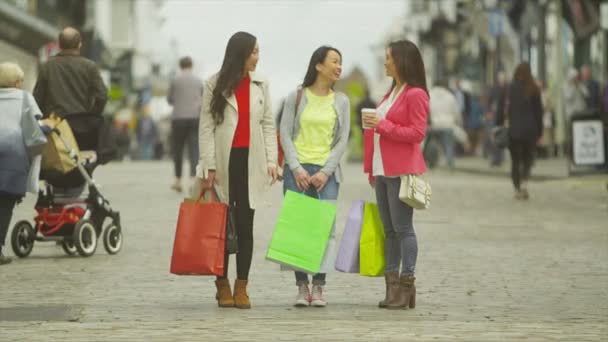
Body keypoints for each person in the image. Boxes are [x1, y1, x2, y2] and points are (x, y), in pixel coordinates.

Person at [198, 31, 278, 309]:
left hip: (251, 161)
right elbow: (206, 127)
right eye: (254, 52)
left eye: (258, 51)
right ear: (240, 54)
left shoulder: (261, 84)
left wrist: (271, 160)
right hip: (223, 161)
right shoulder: (213, 84)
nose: (258, 57)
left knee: (245, 224)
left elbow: (268, 123)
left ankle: (242, 285)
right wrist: (207, 166)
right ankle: (222, 285)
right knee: (221, 225)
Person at [280, 46, 350, 308]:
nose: (339, 66)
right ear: (319, 65)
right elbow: (285, 132)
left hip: (326, 173)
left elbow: (343, 139)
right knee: (297, 228)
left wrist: (325, 171)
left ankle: (319, 285)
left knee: (325, 230)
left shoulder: (341, 101)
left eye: (341, 62)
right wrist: (296, 168)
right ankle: (301, 286)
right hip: (296, 170)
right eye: (334, 61)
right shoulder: (296, 96)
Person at [362, 39, 429, 310]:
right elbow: (378, 130)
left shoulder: (416, 94)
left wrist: (383, 125)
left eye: (389, 57)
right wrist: (370, 167)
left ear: (402, 60)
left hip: (401, 170)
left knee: (403, 229)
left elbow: (417, 133)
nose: (385, 62)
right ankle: (392, 290)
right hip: (382, 169)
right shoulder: (391, 93)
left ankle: (406, 283)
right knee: (389, 231)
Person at [0, 62, 47, 265]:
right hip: (13, 155)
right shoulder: (25, 98)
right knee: (5, 203)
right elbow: (35, 131)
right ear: (18, 82)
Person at [33, 26, 107, 151]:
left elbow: (37, 98)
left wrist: (41, 121)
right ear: (79, 44)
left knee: (56, 164)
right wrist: (91, 115)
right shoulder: (90, 67)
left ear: (59, 45)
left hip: (55, 126)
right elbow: (102, 96)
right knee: (80, 162)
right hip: (82, 126)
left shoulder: (48, 66)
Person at [498, 62, 543, 200]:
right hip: (530, 131)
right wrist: (539, 132)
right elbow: (539, 112)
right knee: (527, 159)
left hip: (515, 131)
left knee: (515, 161)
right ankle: (524, 184)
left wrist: (499, 124)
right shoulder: (534, 88)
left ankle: (517, 189)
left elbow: (502, 108)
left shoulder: (510, 88)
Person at [167, 56, 203, 192]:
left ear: (180, 66)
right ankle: (194, 180)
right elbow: (203, 98)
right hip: (194, 118)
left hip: (178, 119)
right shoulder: (198, 81)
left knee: (178, 149)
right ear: (191, 65)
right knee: (194, 148)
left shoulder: (175, 80)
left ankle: (177, 179)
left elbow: (169, 99)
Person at [428, 80, 468, 169]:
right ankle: (450, 163)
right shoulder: (450, 97)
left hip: (435, 124)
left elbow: (426, 110)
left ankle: (431, 162)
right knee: (448, 145)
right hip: (448, 125)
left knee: (432, 142)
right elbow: (456, 112)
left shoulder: (430, 95)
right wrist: (459, 122)